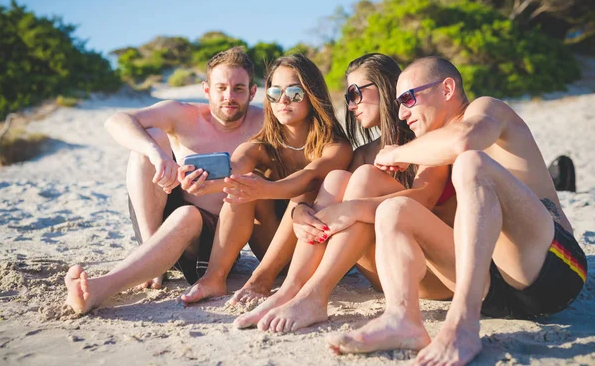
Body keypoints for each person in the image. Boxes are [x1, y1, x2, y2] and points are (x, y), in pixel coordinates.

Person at [326, 57, 587, 366]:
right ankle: (402, 319)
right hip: (490, 287)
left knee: (471, 163)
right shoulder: (432, 145)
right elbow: (422, 199)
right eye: (397, 103)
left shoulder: (487, 109)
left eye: (408, 99)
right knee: (393, 210)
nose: (400, 112)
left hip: (551, 269)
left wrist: (398, 153)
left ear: (447, 89)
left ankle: (463, 323)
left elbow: (466, 139)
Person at [232, 53, 454, 331]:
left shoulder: (426, 140)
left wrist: (351, 209)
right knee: (337, 178)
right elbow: (323, 193)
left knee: (363, 178)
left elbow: (425, 199)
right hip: (384, 272)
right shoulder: (363, 153)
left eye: (356, 93)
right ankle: (291, 291)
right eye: (348, 97)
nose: (351, 106)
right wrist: (301, 212)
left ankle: (316, 294)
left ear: (386, 87)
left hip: (434, 273)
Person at [64, 47, 264, 314]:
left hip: (217, 240)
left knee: (189, 215)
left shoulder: (263, 123)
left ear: (252, 92)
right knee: (150, 138)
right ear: (206, 90)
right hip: (160, 222)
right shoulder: (183, 114)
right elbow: (116, 121)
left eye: (239, 89)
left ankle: (98, 290)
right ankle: (149, 253)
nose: (229, 97)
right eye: (221, 88)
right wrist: (157, 154)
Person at [178, 54, 353, 304]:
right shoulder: (259, 146)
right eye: (274, 93)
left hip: (320, 252)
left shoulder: (336, 146)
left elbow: (311, 178)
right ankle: (214, 277)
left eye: (293, 93)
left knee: (303, 194)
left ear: (312, 94)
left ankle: (261, 279)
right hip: (272, 246)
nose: (282, 101)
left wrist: (267, 189)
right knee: (244, 184)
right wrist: (202, 181)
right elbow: (234, 168)